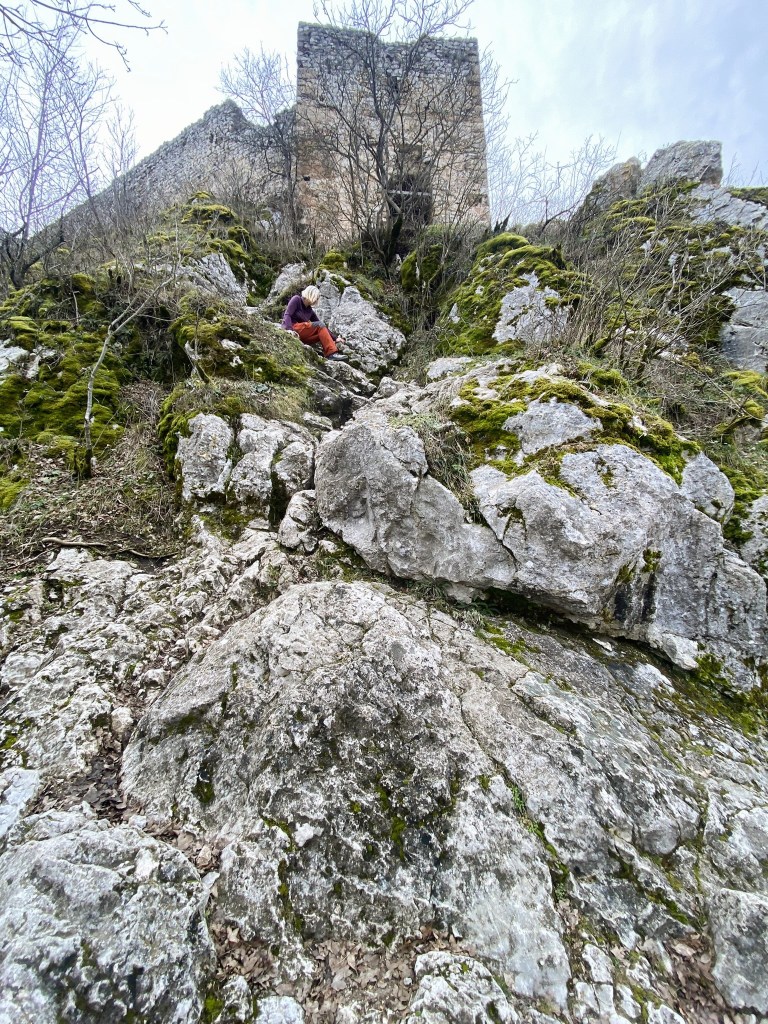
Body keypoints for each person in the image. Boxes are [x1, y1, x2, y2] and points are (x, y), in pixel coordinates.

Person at [281, 285, 348, 361]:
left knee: (321, 330)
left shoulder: (310, 311)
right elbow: (287, 315)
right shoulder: (296, 299)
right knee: (319, 325)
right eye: (316, 297)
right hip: (293, 329)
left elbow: (322, 327)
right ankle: (331, 353)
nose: (317, 300)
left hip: (301, 335)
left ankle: (330, 354)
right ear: (311, 295)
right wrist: (289, 330)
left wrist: (336, 338)